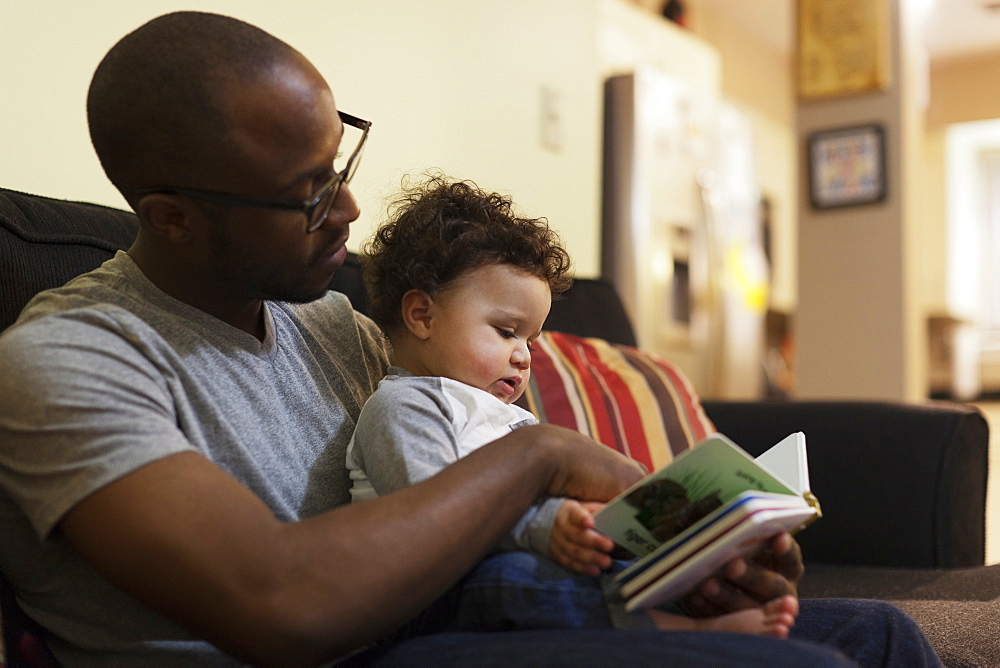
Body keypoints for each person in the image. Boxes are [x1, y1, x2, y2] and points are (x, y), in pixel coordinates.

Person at [0, 10, 941, 667]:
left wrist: (702, 549)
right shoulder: (70, 361)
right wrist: (544, 454)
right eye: (309, 196)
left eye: (340, 161)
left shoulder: (333, 326)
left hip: (433, 633)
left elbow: (472, 461)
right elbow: (282, 610)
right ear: (171, 217)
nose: (351, 210)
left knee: (883, 638)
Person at [346, 174, 797, 637]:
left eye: (531, 340)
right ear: (422, 315)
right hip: (432, 599)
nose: (523, 355)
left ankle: (679, 601)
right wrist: (545, 525)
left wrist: (596, 525)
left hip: (519, 571)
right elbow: (438, 515)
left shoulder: (509, 418)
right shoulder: (404, 406)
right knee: (513, 581)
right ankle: (676, 633)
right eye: (506, 331)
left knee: (605, 567)